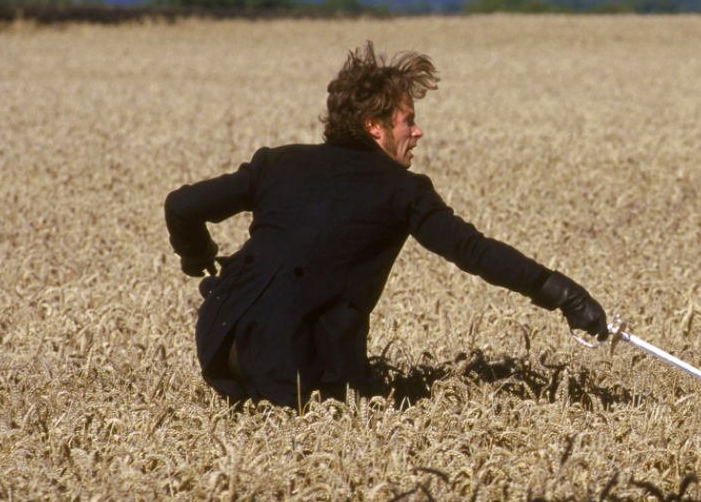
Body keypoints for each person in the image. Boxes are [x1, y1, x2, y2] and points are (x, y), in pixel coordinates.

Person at [165, 42, 609, 407]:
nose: (417, 133)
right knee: (396, 408)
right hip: (293, 369)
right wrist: (565, 295)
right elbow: (473, 252)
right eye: (408, 121)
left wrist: (199, 257)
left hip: (220, 343)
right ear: (374, 126)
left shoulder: (277, 162)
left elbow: (182, 205)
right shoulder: (402, 190)